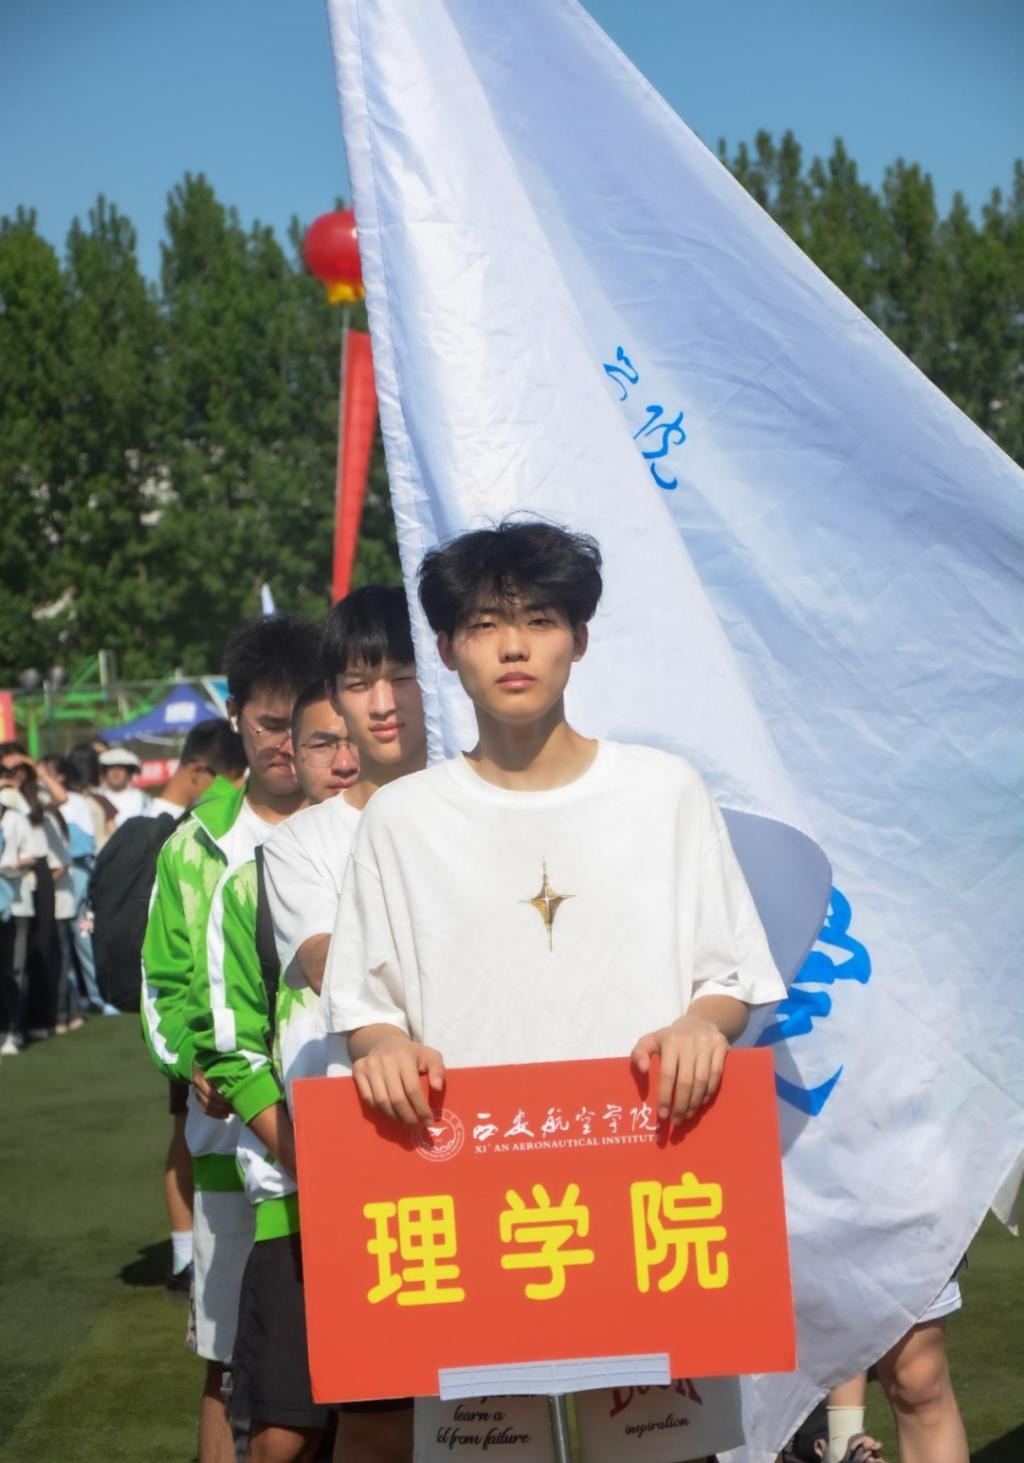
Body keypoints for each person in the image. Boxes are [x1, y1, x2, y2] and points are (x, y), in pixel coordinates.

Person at [322, 521, 788, 1463]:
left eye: (539, 619)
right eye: (485, 624)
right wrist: (384, 1048)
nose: (513, 646)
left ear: (579, 636)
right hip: (469, 1208)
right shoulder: (403, 820)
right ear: (447, 648)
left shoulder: (663, 792)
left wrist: (702, 1024)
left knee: (663, 1453)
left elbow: (731, 973)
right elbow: (362, 1006)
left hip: (649, 1189)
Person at [192, 589, 426, 1463]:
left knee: (487, 1410)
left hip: (486, 1144)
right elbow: (336, 972)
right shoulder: (293, 850)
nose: (380, 704)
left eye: (400, 676)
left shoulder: (481, 810)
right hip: (340, 1164)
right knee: (349, 1418)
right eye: (358, 684)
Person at [141, 616, 321, 1463]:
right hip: (228, 1146)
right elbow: (163, 990)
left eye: (299, 723)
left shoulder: (359, 822)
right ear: (237, 717)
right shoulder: (194, 846)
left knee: (359, 1372)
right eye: (269, 723)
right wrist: (196, 1064)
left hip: (346, 1137)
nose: (285, 744)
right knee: (226, 1362)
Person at [98, 747, 151, 824]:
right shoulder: (97, 796)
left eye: (120, 768)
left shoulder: (141, 798)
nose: (115, 772)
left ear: (129, 773)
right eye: (111, 768)